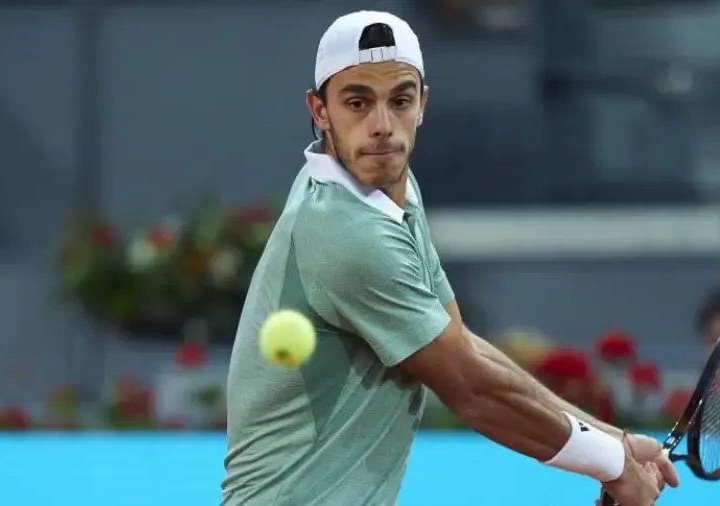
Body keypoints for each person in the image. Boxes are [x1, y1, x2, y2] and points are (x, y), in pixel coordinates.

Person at [221, 11, 677, 506]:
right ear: (320, 110)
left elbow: (458, 344)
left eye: (400, 100)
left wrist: (613, 441)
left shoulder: (391, 191)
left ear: (423, 105)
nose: (382, 125)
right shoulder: (346, 232)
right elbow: (472, 389)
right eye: (357, 102)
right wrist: (612, 466)